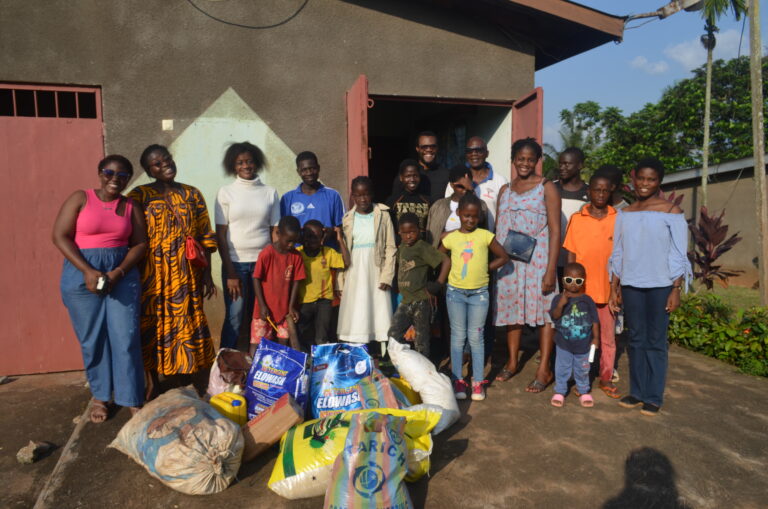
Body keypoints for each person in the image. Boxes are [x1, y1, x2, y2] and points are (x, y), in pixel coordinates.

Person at [53, 155, 147, 422]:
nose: (114, 179)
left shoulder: (131, 206)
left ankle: (131, 398)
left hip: (121, 273)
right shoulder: (80, 198)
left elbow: (140, 244)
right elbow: (59, 235)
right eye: (109, 172)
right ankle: (101, 396)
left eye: (122, 175)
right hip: (82, 272)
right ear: (99, 173)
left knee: (125, 337)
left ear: (128, 179)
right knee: (93, 339)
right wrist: (87, 270)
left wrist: (118, 272)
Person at [128, 145, 217, 394]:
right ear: (148, 170)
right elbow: (129, 235)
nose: (164, 165)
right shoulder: (139, 196)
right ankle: (153, 382)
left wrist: (207, 274)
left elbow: (205, 235)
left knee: (186, 323)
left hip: (187, 273)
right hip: (152, 275)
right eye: (156, 164)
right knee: (152, 325)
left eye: (166, 159)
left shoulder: (192, 194)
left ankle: (185, 378)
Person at [609, 157, 691, 416]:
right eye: (641, 178)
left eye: (651, 179)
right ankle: (637, 392)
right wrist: (615, 286)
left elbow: (679, 253)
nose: (645, 184)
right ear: (634, 180)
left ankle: (653, 396)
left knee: (655, 341)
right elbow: (618, 251)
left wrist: (675, 288)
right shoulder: (625, 213)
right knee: (635, 339)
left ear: (659, 182)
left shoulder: (671, 212)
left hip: (661, 286)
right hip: (632, 285)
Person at [494, 138, 560, 393]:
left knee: (545, 313)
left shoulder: (546, 188)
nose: (524, 163)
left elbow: (555, 230)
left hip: (538, 261)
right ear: (513, 160)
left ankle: (544, 367)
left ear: (537, 161)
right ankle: (512, 361)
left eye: (530, 159)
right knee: (512, 312)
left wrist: (551, 269)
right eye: (520, 158)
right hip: (510, 263)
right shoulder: (505, 190)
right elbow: (500, 228)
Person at [440, 193, 510, 401]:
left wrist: (485, 269)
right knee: (458, 337)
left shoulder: (485, 236)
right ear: (459, 214)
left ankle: (478, 382)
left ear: (479, 216)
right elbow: (439, 255)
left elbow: (504, 256)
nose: (470, 220)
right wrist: (447, 270)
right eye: (466, 216)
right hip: (455, 293)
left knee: (476, 338)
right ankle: (458, 380)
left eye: (474, 216)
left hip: (479, 294)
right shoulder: (451, 237)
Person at [215, 142, 279, 350]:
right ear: (233, 166)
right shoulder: (225, 192)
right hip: (236, 265)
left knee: (262, 316)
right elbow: (221, 235)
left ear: (256, 163)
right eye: (240, 162)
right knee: (235, 317)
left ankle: (261, 366)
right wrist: (231, 273)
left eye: (250, 161)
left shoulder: (270, 192)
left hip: (264, 265)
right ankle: (225, 368)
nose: (246, 166)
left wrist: (276, 265)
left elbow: (274, 231)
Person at [563, 173, 620, 398]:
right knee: (583, 337)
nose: (601, 194)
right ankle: (582, 379)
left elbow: (622, 257)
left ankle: (606, 378)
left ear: (610, 192)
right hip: (582, 292)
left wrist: (618, 289)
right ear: (589, 191)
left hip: (608, 291)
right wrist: (570, 288)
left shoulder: (618, 218)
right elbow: (571, 255)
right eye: (597, 190)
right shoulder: (578, 218)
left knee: (607, 339)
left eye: (605, 191)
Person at [337, 176, 396, 346]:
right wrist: (340, 281)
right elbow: (344, 252)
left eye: (366, 194)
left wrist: (387, 275)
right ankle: (360, 353)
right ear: (353, 196)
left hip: (376, 268)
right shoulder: (348, 218)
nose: (363, 199)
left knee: (378, 311)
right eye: (358, 195)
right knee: (358, 309)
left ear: (372, 194)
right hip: (355, 270)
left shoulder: (383, 215)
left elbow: (391, 247)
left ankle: (382, 355)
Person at [388, 213, 450, 358]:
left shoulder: (422, 247)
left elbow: (446, 261)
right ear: (399, 233)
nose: (408, 236)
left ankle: (424, 372)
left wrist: (439, 284)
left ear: (419, 231)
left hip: (421, 301)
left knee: (421, 341)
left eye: (412, 232)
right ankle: (403, 365)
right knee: (393, 334)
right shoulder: (402, 247)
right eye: (404, 233)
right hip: (405, 301)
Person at [250, 216, 306, 355]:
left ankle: (280, 372)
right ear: (278, 234)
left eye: (294, 241)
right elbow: (256, 279)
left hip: (284, 310)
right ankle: (252, 372)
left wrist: (291, 306)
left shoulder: (296, 256)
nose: (291, 245)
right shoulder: (266, 254)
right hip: (264, 310)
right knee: (257, 343)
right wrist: (262, 305)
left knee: (284, 343)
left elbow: (296, 282)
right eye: (288, 241)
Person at [549, 263, 599, 408]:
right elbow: (554, 317)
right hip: (563, 343)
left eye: (578, 281)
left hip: (584, 344)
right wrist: (561, 304)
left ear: (584, 281)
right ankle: (560, 390)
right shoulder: (558, 299)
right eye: (569, 280)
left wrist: (596, 338)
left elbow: (595, 320)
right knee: (562, 367)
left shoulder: (587, 300)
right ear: (563, 279)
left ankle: (583, 391)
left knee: (583, 368)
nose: (573, 284)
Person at [297, 220, 349, 347]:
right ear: (303, 236)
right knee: (303, 334)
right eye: (309, 236)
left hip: (324, 302)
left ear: (323, 237)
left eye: (317, 236)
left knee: (322, 337)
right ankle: (307, 361)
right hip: (304, 301)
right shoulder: (298, 253)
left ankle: (321, 363)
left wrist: (339, 239)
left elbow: (346, 262)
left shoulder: (328, 252)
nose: (313, 240)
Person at [444, 136, 508, 232]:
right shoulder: (455, 181)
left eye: (479, 150)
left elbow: (504, 216)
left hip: (488, 240)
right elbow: (447, 209)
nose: (474, 154)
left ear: (487, 153)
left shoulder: (500, 181)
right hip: (457, 241)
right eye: (469, 151)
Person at [280, 151, 345, 241]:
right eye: (304, 170)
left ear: (318, 168)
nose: (309, 173)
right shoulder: (287, 198)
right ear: (298, 172)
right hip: (298, 253)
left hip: (326, 252)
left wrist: (331, 232)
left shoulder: (333, 195)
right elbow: (284, 230)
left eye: (312, 168)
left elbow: (341, 227)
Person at [426, 165, 489, 247]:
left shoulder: (481, 205)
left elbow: (481, 229)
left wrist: (471, 191)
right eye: (460, 187)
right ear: (452, 185)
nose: (464, 191)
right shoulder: (439, 206)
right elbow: (434, 238)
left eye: (467, 186)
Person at [554, 147, 589, 280]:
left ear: (580, 165)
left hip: (577, 261)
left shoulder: (590, 193)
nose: (562, 167)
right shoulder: (551, 188)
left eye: (567, 164)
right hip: (553, 259)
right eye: (561, 163)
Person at [391, 131, 450, 204]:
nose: (429, 149)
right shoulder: (407, 175)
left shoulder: (446, 175)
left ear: (437, 148)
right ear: (417, 148)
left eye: (432, 146)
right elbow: (395, 202)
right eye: (424, 147)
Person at [386, 159, 431, 241]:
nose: (412, 179)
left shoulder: (428, 201)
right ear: (401, 178)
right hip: (400, 249)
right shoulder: (392, 201)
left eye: (415, 175)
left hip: (422, 249)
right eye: (408, 176)